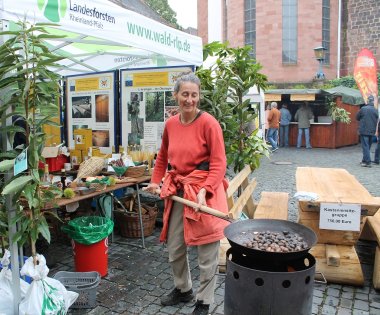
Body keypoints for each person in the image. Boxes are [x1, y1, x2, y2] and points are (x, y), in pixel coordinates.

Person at [143, 73, 229, 315]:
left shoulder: (209, 123)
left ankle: (204, 301)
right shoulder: (171, 124)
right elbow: (162, 157)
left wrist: (205, 189)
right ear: (176, 95)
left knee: (206, 251)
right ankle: (183, 289)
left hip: (206, 192)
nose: (189, 100)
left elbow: (219, 162)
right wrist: (155, 181)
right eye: (185, 94)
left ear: (198, 97)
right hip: (181, 192)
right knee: (175, 246)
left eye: (194, 95)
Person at [356, 95, 378, 167]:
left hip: (364, 130)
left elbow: (357, 117)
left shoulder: (363, 109)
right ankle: (364, 160)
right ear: (373, 101)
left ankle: (367, 162)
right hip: (372, 131)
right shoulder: (375, 110)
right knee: (368, 147)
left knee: (365, 147)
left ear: (368, 101)